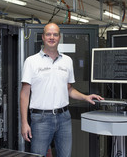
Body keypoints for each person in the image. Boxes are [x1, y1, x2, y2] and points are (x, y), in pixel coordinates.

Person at [20, 23, 103, 157]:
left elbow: (69, 89)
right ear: (43, 37)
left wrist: (85, 97)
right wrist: (24, 123)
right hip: (41, 119)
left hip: (64, 117)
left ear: (59, 37)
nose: (51, 37)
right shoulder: (31, 61)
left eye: (55, 34)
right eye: (48, 34)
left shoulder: (67, 61)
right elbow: (24, 94)